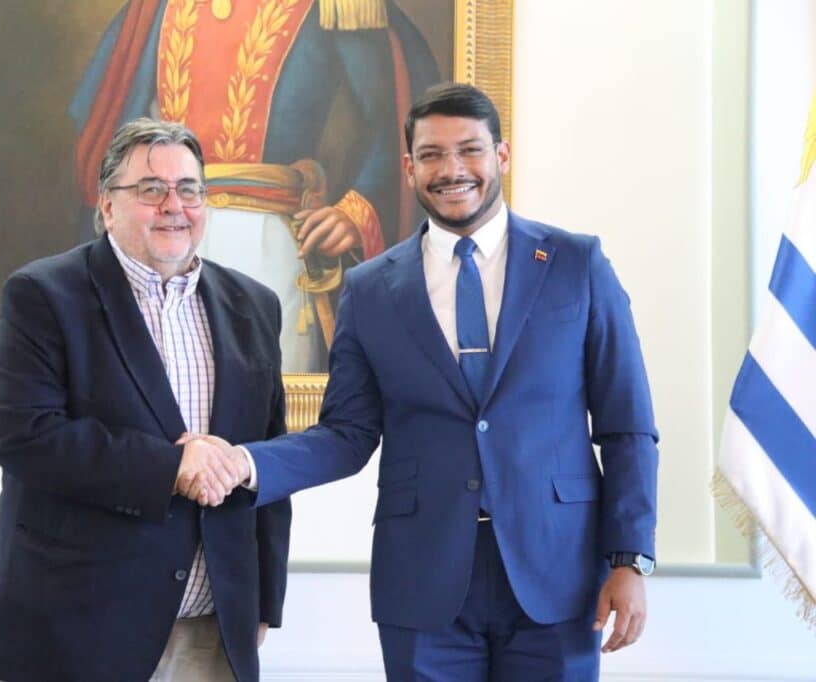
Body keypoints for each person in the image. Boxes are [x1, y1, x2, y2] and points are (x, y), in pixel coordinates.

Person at [187, 83, 660, 680]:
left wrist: (629, 560)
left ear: (502, 156)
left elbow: (628, 427)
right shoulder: (370, 288)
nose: (452, 170)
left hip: (558, 573)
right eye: (432, 154)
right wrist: (245, 465)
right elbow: (347, 434)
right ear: (409, 167)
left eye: (470, 150)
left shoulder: (575, 263)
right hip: (423, 578)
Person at [0, 118, 291, 682]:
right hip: (79, 627)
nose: (175, 205)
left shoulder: (255, 304)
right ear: (107, 205)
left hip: (211, 629)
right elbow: (23, 436)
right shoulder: (44, 294)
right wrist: (173, 466)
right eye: (151, 189)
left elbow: (266, 455)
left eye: (190, 189)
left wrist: (264, 597)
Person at [69, 0, 440, 371]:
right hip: (163, 239)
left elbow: (401, 114)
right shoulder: (156, 7)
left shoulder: (335, 6)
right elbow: (110, 127)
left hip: (271, 244)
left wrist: (355, 210)